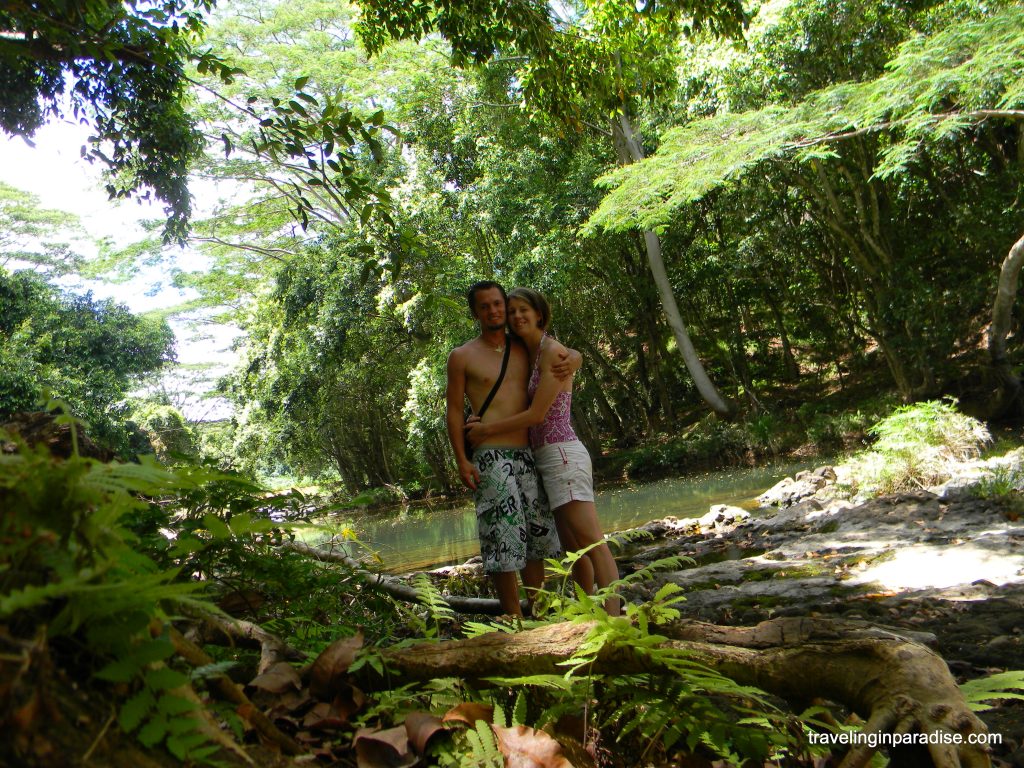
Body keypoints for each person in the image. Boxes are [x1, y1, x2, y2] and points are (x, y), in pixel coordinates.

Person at [465, 287, 620, 616]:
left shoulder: (551, 351)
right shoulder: (529, 351)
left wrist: (486, 430)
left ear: (539, 314)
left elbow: (537, 414)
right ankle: (586, 612)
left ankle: (613, 616)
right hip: (545, 458)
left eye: (524, 310)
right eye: (512, 312)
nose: (517, 316)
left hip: (562, 452)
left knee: (591, 540)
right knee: (572, 545)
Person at [445, 280, 580, 616]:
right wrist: (462, 461)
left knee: (536, 537)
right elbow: (454, 410)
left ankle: (539, 611)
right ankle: (512, 618)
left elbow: (559, 351)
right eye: (485, 306)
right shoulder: (462, 356)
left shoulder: (523, 347)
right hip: (490, 457)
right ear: (475, 312)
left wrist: (577, 357)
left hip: (528, 454)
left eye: (497, 304)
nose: (494, 310)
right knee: (502, 538)